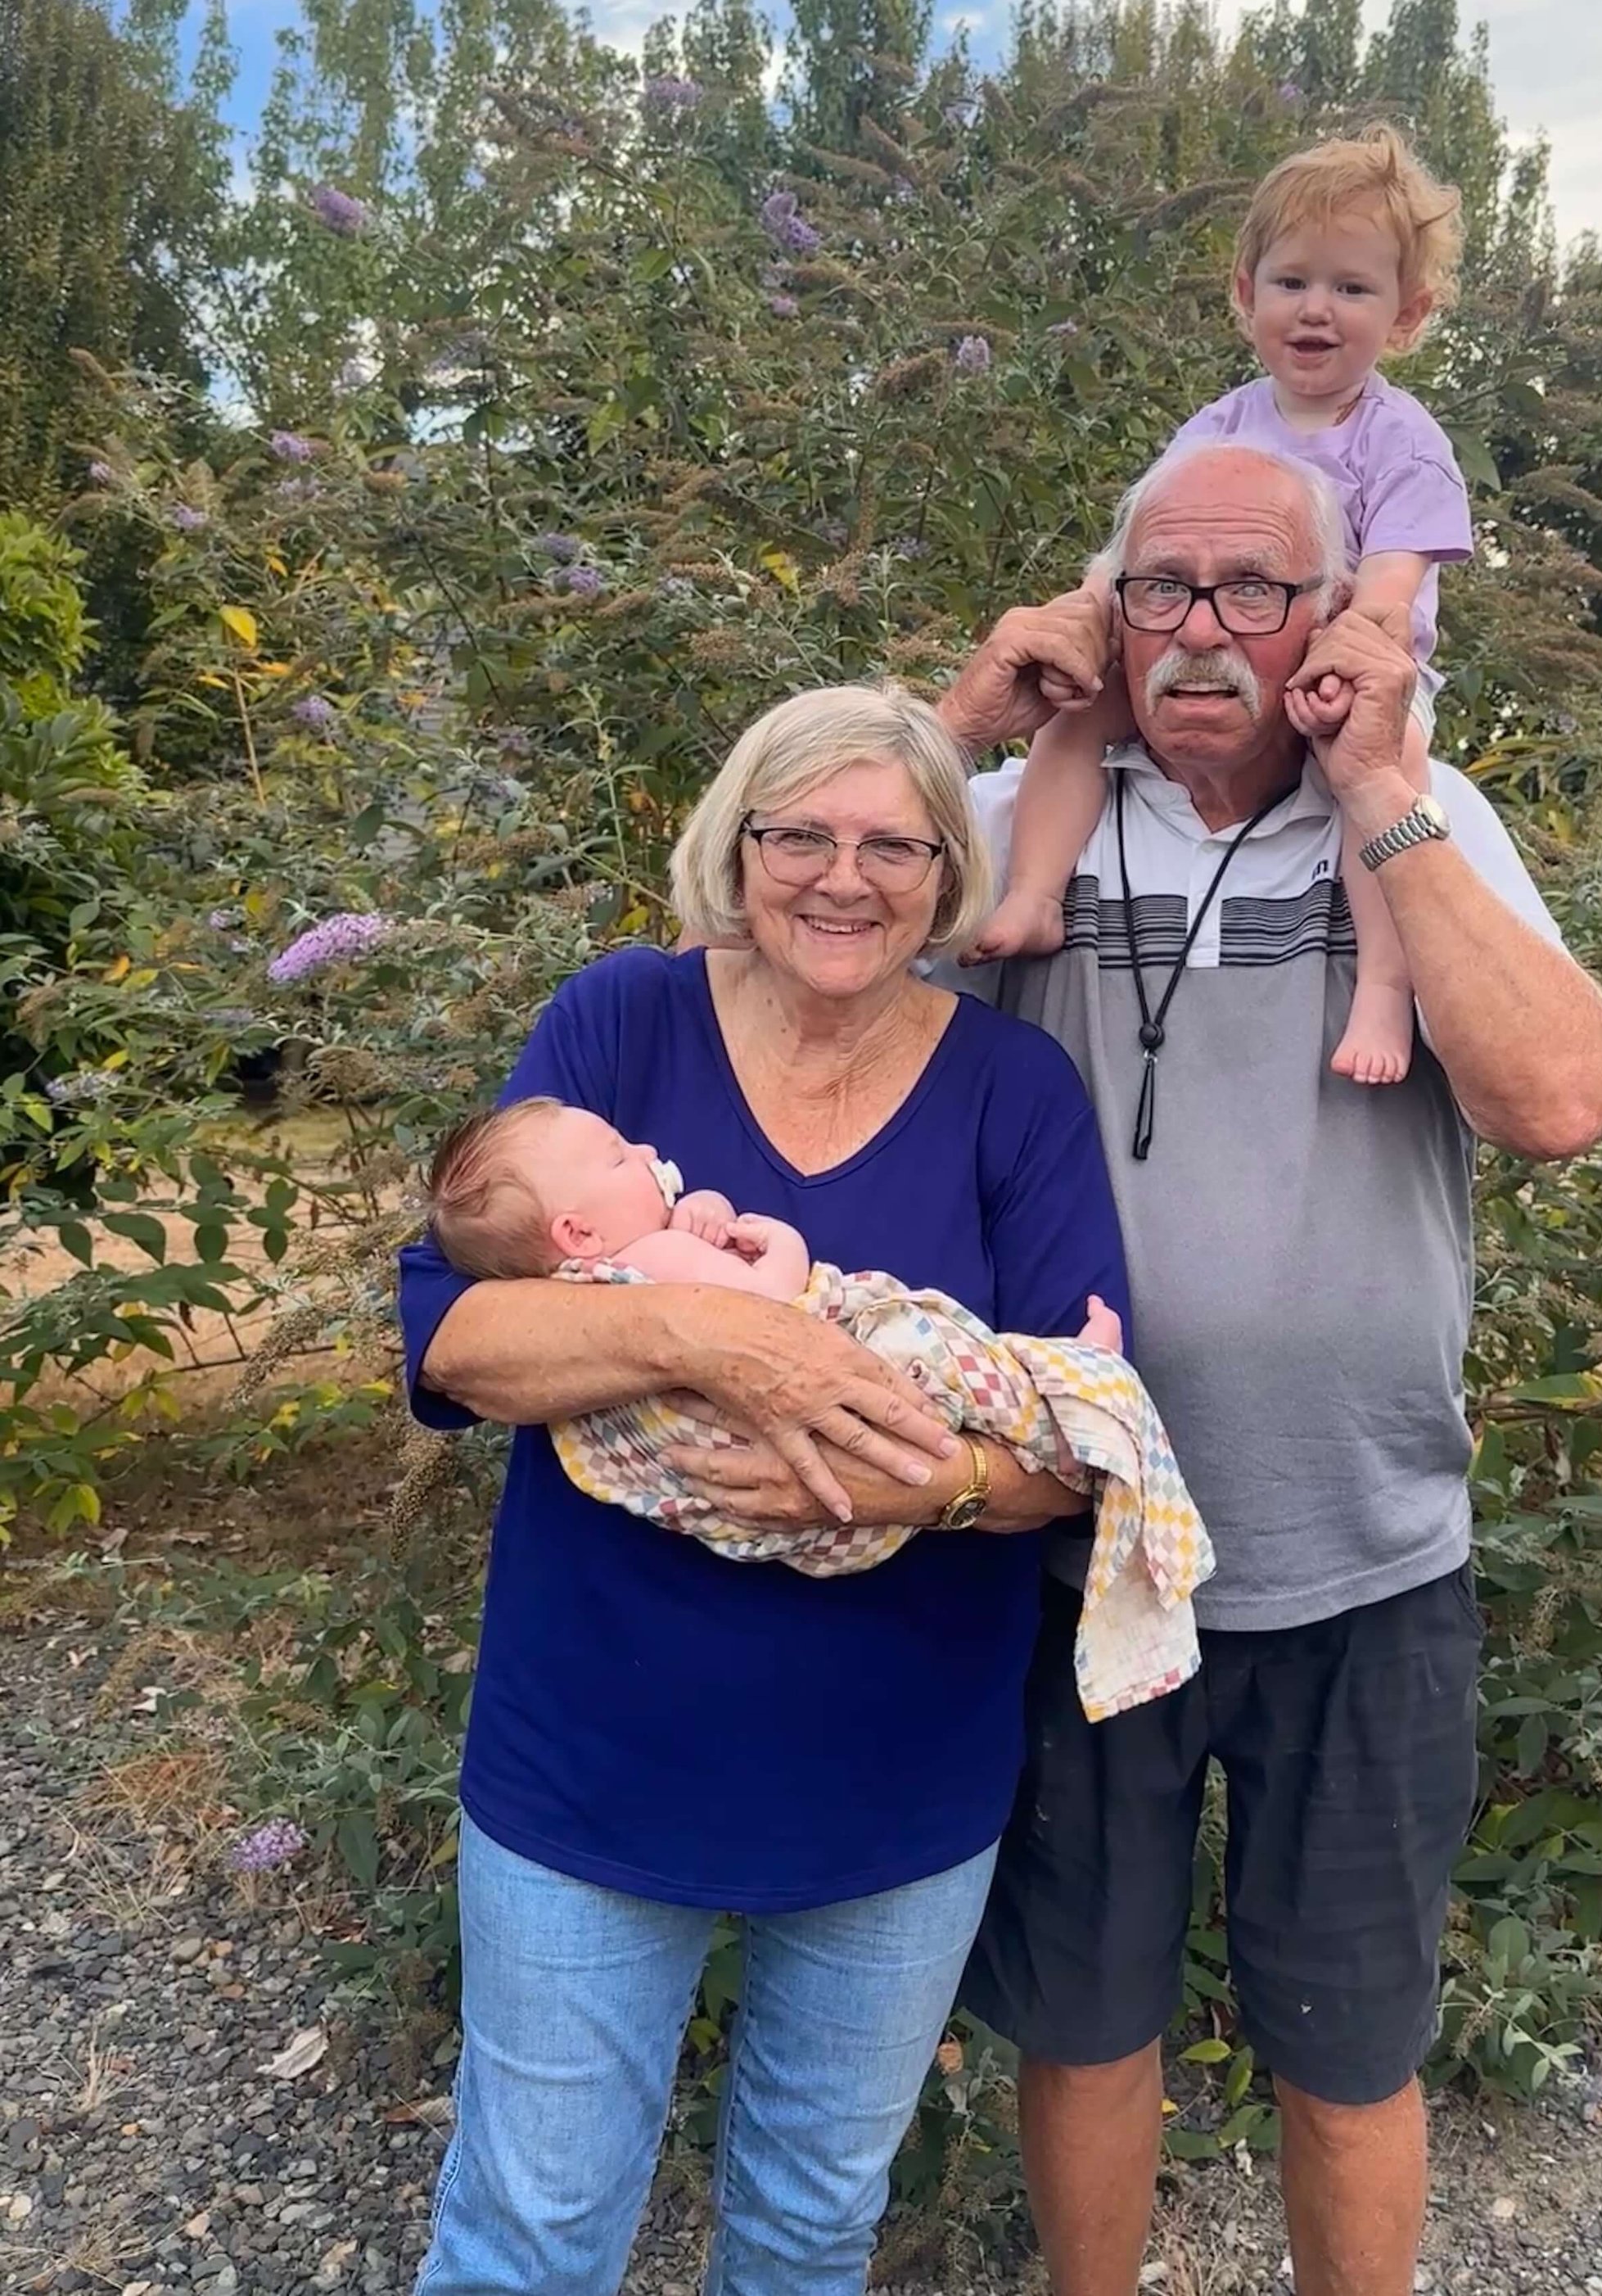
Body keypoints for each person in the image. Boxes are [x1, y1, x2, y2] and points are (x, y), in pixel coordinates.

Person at [925, 440, 1602, 2296]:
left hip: (1368, 1561)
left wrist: (1385, 792)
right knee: (1082, 2027)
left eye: (1255, 587)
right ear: (1108, 614)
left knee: (1345, 2052)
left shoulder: (1422, 820)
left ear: (1331, 614)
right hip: (1085, 1551)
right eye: (1159, 587)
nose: (1204, 629)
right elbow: (738, 994)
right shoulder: (1009, 818)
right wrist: (954, 717)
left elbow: (1560, 1098)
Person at [395, 683, 1129, 2296]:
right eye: (799, 832)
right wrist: (720, 1340)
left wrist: (919, 1482)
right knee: (530, 2231)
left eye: (893, 841)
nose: (841, 875)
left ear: (948, 871)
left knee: (805, 2230)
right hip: (591, 1763)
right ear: (736, 844)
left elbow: (1083, 1431)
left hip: (896, 1778)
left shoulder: (1013, 1090)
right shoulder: (616, 1025)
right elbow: (453, 1337)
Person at [422, 1095, 1214, 1720]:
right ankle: (1079, 1385)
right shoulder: (653, 1257)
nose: (642, 1151)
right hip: (844, 1419)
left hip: (785, 1629)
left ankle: (1067, 1413)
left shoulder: (578, 1291)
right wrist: (784, 1251)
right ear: (577, 1230)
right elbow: (775, 1313)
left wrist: (694, 1223)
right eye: (617, 1156)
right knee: (941, 1360)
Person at [972, 128, 1472, 1091]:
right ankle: (1036, 892)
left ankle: (1380, 981)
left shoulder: (1403, 441)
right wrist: (1085, 621)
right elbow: (1137, 555)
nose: (1316, 309)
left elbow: (1387, 595)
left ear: (1404, 316)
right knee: (1078, 714)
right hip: (1221, 666)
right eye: (1292, 282)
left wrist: (1329, 669)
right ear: (1246, 295)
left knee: (1387, 776)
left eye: (1352, 289)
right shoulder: (1215, 428)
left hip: (1352, 668)